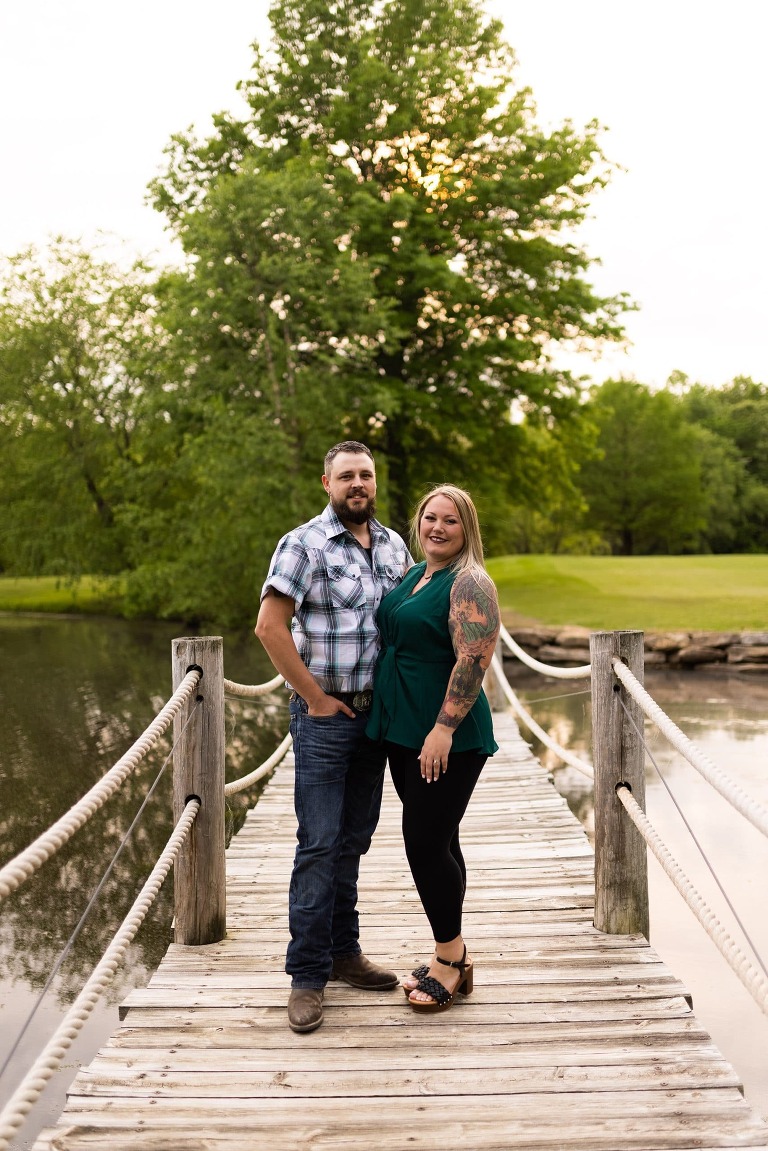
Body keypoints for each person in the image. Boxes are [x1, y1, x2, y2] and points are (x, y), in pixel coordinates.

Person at [255, 440, 412, 1034]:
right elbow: (269, 627)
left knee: (353, 841)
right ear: (326, 483)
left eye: (367, 475)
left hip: (377, 720)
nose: (358, 484)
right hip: (325, 717)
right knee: (318, 844)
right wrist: (314, 699)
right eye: (346, 475)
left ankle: (345, 954)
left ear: (376, 482)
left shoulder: (396, 544)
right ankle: (307, 975)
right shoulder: (304, 543)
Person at [366, 484, 500, 1013]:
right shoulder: (415, 575)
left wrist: (443, 729)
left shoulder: (471, 581)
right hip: (404, 727)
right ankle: (455, 950)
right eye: (430, 517)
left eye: (451, 520)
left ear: (467, 529)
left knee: (423, 842)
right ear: (418, 522)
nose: (438, 527)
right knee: (441, 839)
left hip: (445, 733)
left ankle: (451, 955)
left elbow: (472, 660)